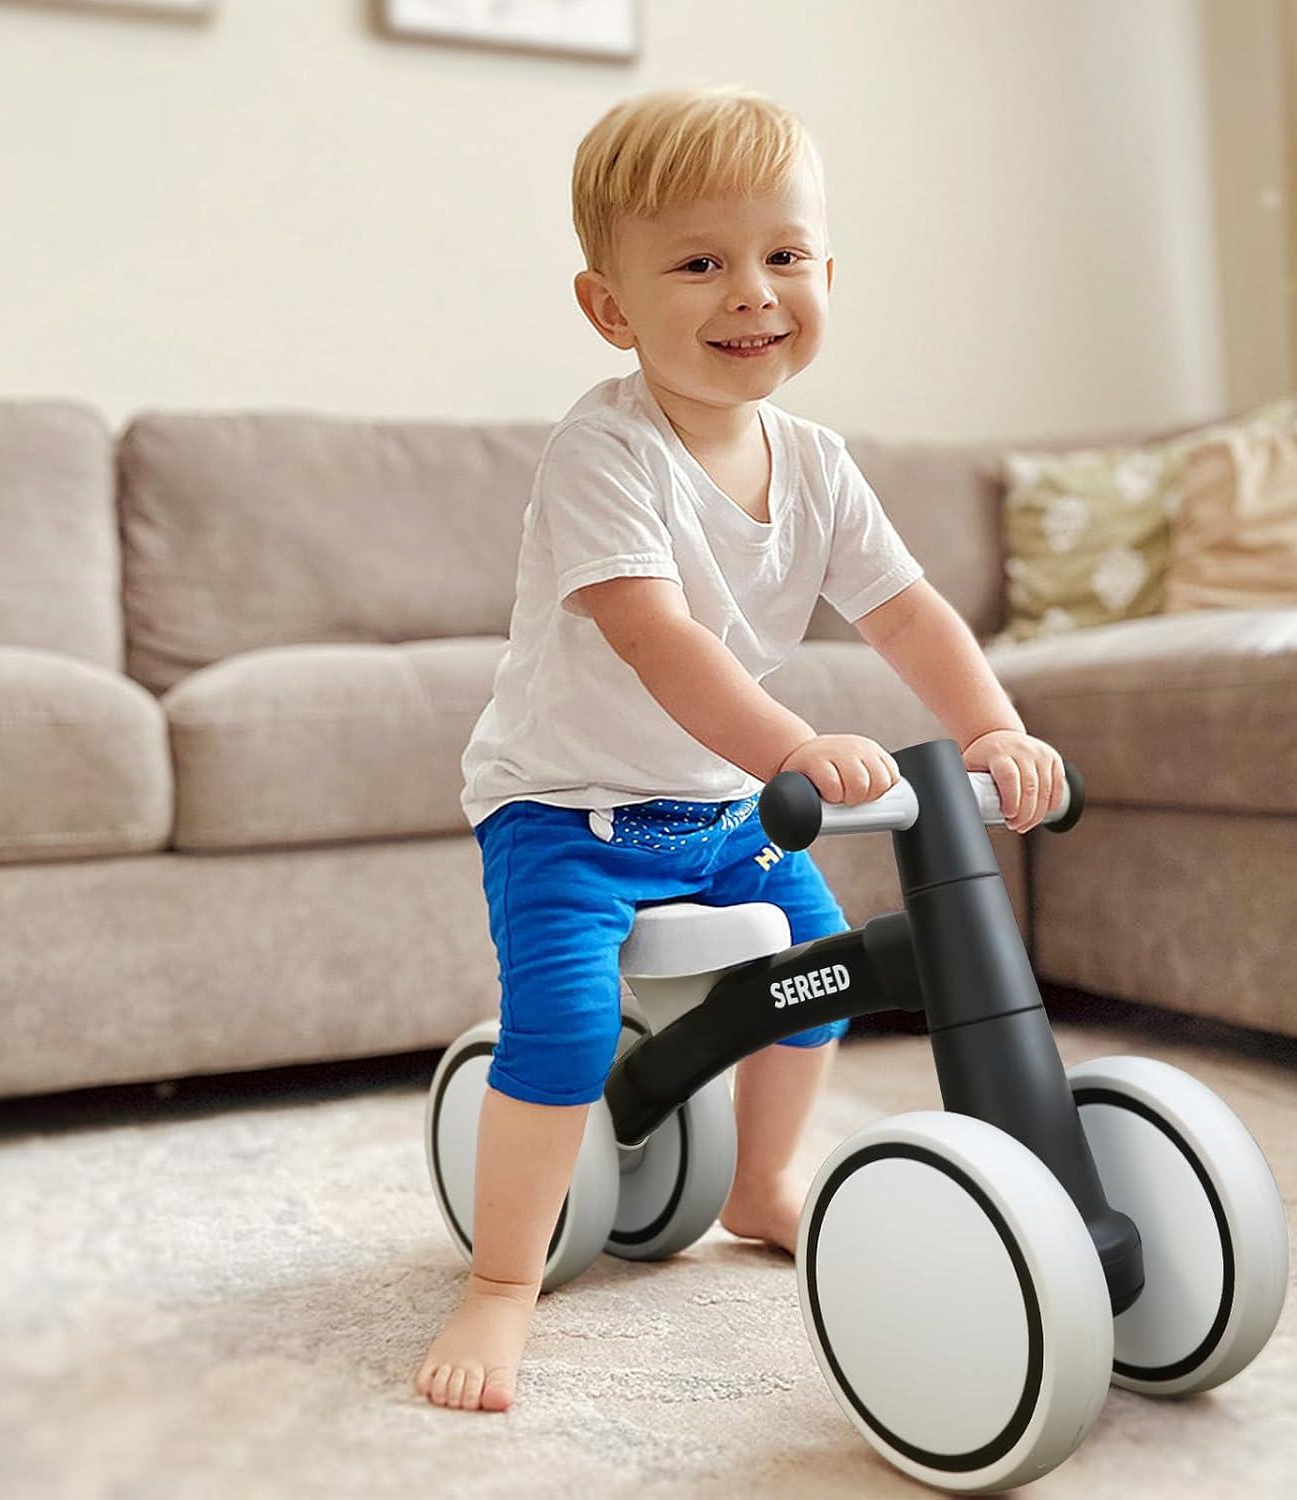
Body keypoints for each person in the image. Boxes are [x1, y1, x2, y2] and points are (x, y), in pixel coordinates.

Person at [415, 85, 1065, 1413]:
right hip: (566, 812)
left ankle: (763, 1184)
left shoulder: (817, 462)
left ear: (827, 273)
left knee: (818, 973)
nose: (750, 291)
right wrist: (794, 741)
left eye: (782, 255)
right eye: (700, 263)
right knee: (568, 1018)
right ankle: (499, 1283)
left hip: (722, 809)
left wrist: (989, 725)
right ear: (612, 309)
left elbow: (907, 611)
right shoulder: (606, 453)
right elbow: (661, 642)